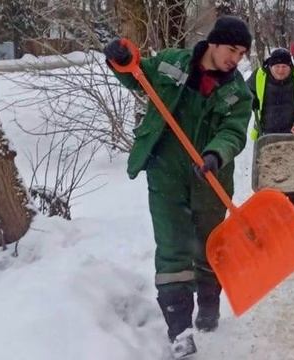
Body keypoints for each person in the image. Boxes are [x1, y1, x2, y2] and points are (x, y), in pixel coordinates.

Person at [103, 16, 252, 359]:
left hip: (210, 177)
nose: (236, 58)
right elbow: (137, 75)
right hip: (166, 172)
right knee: (172, 249)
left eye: (242, 53)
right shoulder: (172, 63)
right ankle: (180, 330)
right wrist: (122, 60)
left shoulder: (237, 92)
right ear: (214, 43)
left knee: (209, 247)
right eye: (232, 49)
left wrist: (216, 154)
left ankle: (209, 304)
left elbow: (234, 131)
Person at [246, 48, 294, 219]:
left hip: (292, 134)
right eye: (277, 66)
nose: (280, 70)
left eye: (284, 66)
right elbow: (245, 90)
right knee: (269, 177)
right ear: (270, 66)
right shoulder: (259, 75)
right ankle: (271, 214)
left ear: (290, 67)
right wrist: (251, 98)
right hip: (266, 136)